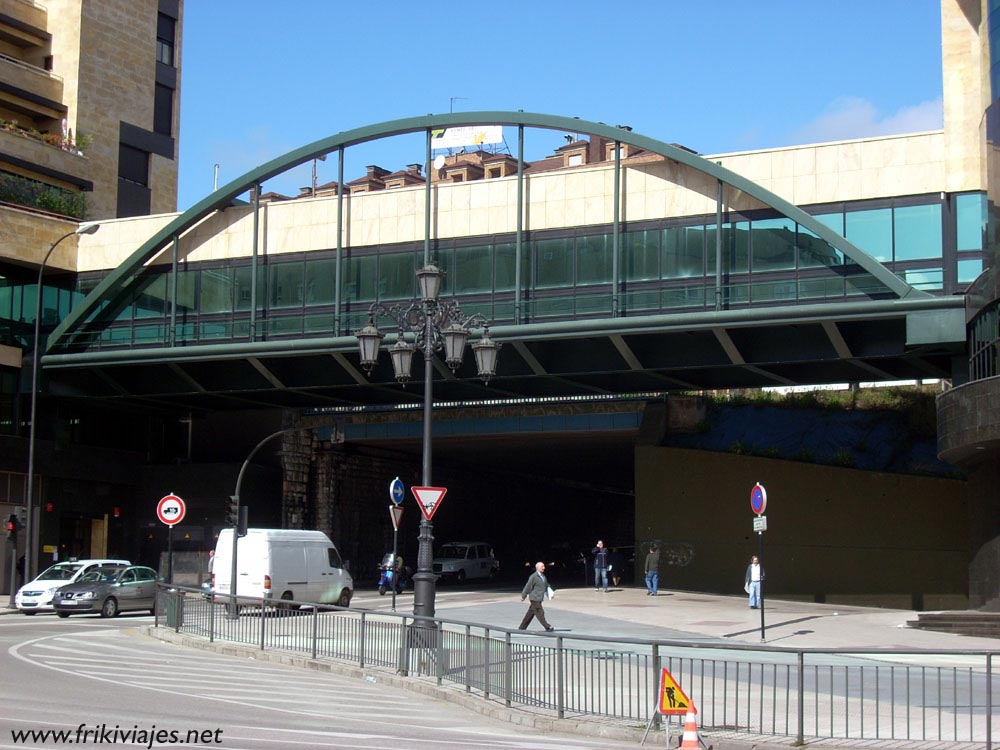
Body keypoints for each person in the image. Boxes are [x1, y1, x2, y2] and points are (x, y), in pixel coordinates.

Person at [519, 561, 554, 631]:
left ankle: (522, 627)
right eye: (542, 566)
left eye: (544, 566)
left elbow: (547, 585)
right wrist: (523, 595)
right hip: (534, 598)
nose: (544, 568)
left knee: (530, 613)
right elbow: (528, 586)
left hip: (539, 598)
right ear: (537, 568)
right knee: (540, 612)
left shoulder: (543, 576)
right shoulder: (533, 577)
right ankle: (547, 626)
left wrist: (551, 593)